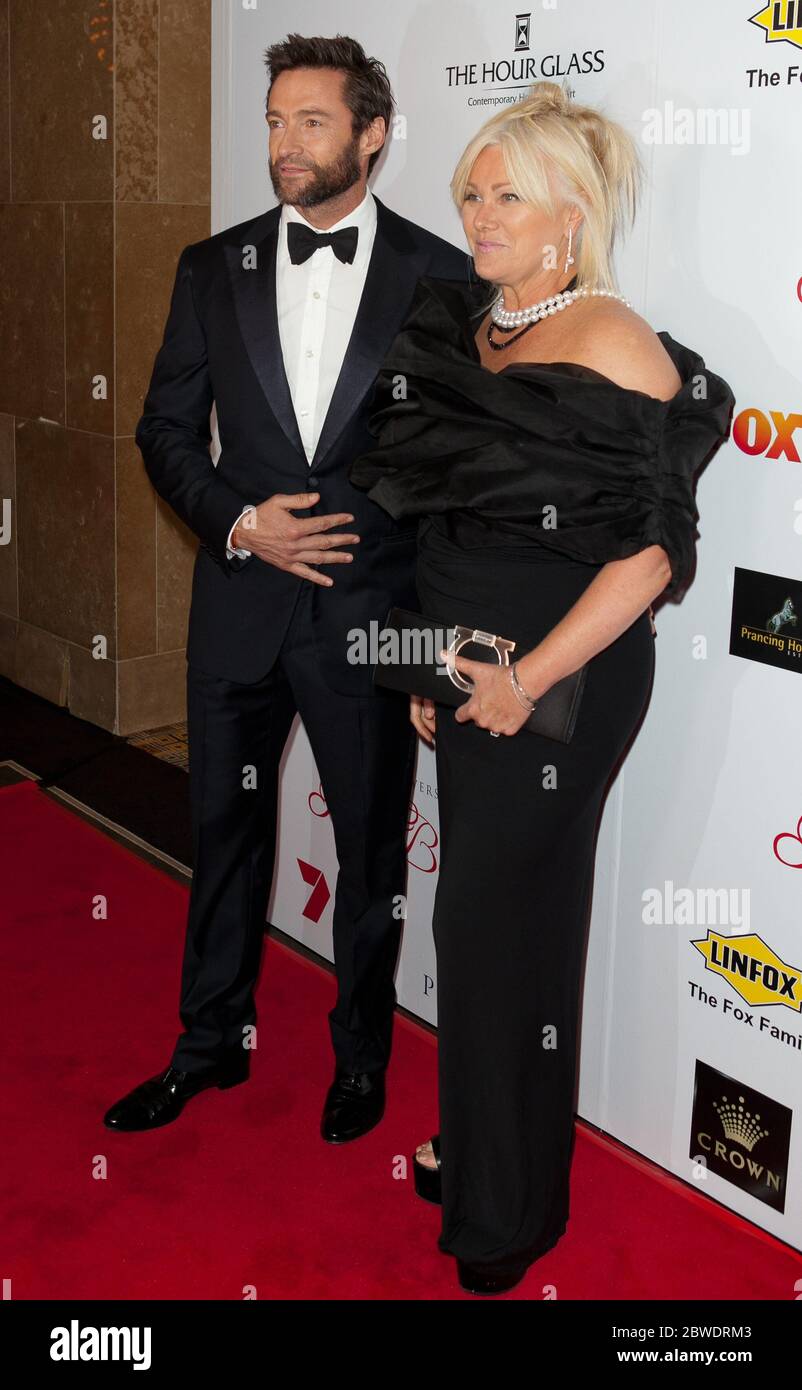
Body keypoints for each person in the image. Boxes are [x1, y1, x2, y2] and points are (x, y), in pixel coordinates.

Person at [349, 81, 735, 1295]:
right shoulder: (474, 328)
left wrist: (526, 675)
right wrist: (423, 661)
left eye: (506, 193)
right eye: (471, 187)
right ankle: (485, 1150)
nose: (478, 211)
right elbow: (449, 516)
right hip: (465, 662)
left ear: (570, 217)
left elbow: (652, 553)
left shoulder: (615, 338)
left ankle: (503, 1219)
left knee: (491, 928)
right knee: (488, 930)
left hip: (557, 676)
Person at [103, 35, 470, 1139]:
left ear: (371, 134)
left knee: (370, 856)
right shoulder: (212, 267)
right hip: (238, 609)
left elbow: (455, 475)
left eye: (311, 122)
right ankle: (207, 1044)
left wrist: (429, 649)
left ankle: (360, 1058)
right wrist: (238, 521)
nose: (283, 144)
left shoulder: (442, 274)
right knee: (222, 839)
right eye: (273, 121)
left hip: (371, 621)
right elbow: (163, 429)